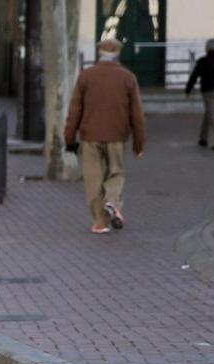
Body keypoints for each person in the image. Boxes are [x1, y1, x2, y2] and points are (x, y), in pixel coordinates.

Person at [64, 38, 146, 234]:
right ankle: (112, 200)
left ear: (99, 53)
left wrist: (69, 139)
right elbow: (137, 113)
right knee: (116, 172)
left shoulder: (86, 76)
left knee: (93, 178)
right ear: (118, 53)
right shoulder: (128, 77)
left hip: (90, 135)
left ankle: (100, 222)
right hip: (117, 134)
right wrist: (139, 143)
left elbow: (75, 110)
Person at [185, 38, 214, 150]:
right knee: (209, 112)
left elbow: (194, 76)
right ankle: (203, 138)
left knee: (212, 114)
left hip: (208, 91)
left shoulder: (203, 61)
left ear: (206, 48)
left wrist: (188, 89)